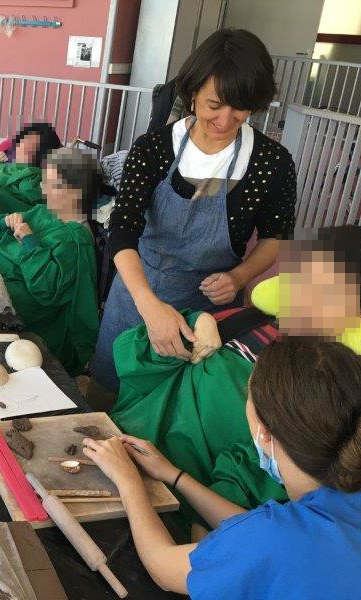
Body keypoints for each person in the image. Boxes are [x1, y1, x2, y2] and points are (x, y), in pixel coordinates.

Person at [110, 226, 361, 522]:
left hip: (175, 502)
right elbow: (133, 359)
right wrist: (191, 323)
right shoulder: (249, 319)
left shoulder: (331, 395)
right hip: (122, 439)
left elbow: (264, 482)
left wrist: (191, 505)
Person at [92, 28, 296, 391]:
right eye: (214, 105)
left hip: (208, 312)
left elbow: (275, 236)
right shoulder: (154, 148)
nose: (225, 120)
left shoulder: (271, 162)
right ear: (192, 92)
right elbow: (122, 230)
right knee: (108, 395)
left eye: (240, 108)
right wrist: (149, 306)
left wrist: (239, 277)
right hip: (137, 295)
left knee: (180, 406)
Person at [83, 338, 361, 598]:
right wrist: (175, 476)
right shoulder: (338, 499)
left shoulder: (278, 541)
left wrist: (129, 481)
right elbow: (253, 532)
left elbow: (162, 566)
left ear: (264, 433)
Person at [0, 148, 100, 375]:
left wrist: (30, 244)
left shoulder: (77, 239)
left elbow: (47, 289)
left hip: (24, 315)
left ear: (73, 192)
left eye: (51, 184)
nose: (43, 189)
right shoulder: (45, 211)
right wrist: (3, 222)